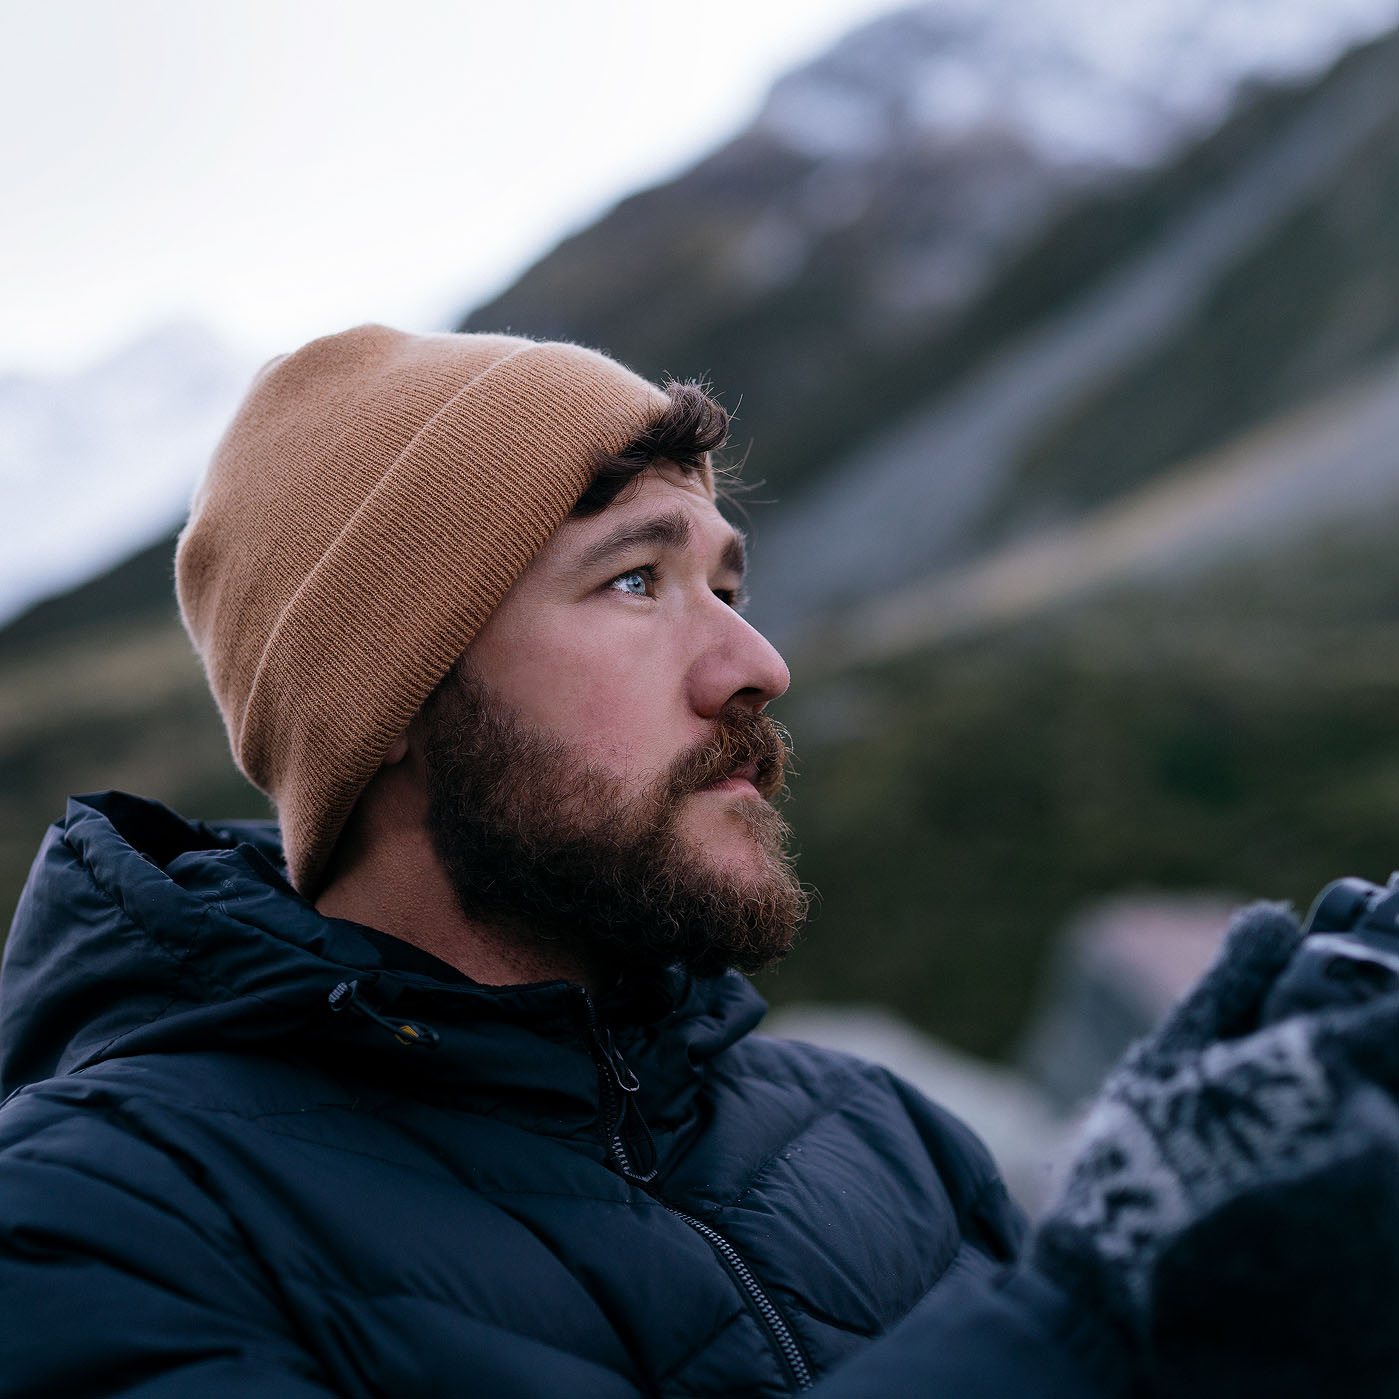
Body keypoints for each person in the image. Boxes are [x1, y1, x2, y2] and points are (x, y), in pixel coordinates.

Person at [2, 325, 1398, 1399]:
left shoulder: (885, 1138)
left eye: (728, 583)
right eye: (634, 581)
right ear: (397, 708)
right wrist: (1090, 1322)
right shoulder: (98, 1218)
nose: (756, 664)